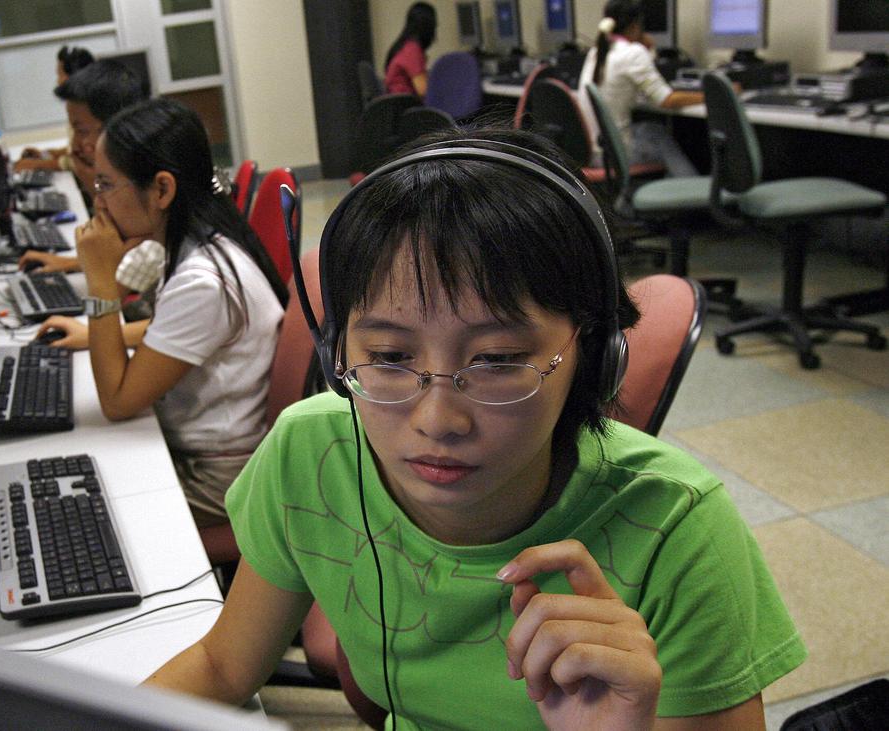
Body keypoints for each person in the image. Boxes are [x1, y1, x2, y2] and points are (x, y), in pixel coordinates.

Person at [144, 127, 805, 729]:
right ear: (337, 353)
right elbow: (223, 667)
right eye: (390, 356)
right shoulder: (311, 454)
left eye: (497, 359)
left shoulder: (677, 529)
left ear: (595, 355)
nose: (437, 421)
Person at [36, 98, 288, 526]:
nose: (98, 203)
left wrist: (100, 283)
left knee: (70, 513)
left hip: (218, 479)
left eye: (105, 185)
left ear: (162, 190)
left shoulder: (203, 281)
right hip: (205, 452)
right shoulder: (201, 241)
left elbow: (117, 401)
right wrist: (93, 332)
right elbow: (174, 329)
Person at [17, 60, 149, 275]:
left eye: (82, 131)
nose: (75, 144)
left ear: (117, 127)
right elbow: (120, 258)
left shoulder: (145, 188)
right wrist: (70, 264)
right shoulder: (122, 177)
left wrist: (95, 186)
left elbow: (123, 278)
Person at [579, 0, 704, 177]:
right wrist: (708, 95)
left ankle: (679, 186)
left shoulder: (597, 52)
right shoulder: (633, 52)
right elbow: (666, 100)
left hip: (594, 150)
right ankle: (691, 186)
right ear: (635, 25)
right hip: (612, 155)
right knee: (659, 135)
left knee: (651, 129)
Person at [15, 45, 97, 169]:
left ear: (74, 77)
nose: (58, 82)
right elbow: (75, 150)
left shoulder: (88, 111)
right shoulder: (80, 106)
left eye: (60, 75)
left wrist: (37, 165)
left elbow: (79, 160)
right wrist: (47, 154)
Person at [383, 2, 437, 97]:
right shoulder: (412, 50)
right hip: (405, 103)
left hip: (399, 101)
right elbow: (423, 90)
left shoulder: (404, 46)